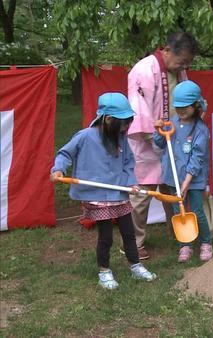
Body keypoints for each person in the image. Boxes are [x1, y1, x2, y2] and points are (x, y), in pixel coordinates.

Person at [50, 93, 157, 290]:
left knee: (129, 233)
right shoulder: (85, 136)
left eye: (128, 123)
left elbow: (128, 163)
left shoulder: (121, 138)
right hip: (98, 197)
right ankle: (104, 271)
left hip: (120, 195)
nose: (126, 128)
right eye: (123, 123)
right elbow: (65, 153)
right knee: (106, 237)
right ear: (108, 119)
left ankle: (136, 266)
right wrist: (58, 169)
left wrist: (131, 183)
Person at [127, 31, 199, 259]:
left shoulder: (180, 72)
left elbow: (187, 99)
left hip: (173, 138)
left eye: (187, 62)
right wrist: (153, 132)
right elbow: (137, 107)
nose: (184, 66)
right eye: (182, 61)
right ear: (166, 50)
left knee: (175, 188)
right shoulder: (144, 69)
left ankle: (180, 236)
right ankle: (133, 243)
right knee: (141, 195)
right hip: (147, 141)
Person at [153, 80, 212, 262]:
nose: (181, 112)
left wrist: (186, 183)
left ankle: (205, 243)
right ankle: (185, 245)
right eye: (178, 108)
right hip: (173, 178)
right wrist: (158, 130)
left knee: (196, 211)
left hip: (193, 180)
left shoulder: (200, 130)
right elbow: (160, 143)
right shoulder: (172, 124)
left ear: (196, 105)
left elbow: (196, 159)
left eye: (185, 108)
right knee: (178, 213)